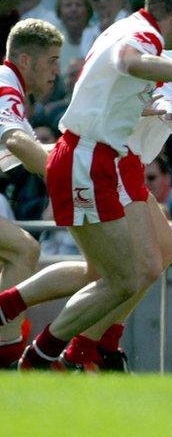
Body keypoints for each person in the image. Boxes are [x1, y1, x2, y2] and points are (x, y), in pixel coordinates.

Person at [16, 0, 172, 370]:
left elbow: (144, 95)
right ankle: (55, 352)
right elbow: (132, 64)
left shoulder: (130, 27)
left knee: (135, 265)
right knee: (124, 276)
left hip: (103, 156)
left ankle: (73, 343)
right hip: (100, 157)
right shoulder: (152, 41)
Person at [0, 19, 77, 367]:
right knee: (22, 249)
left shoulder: (10, 90)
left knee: (22, 250)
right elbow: (17, 142)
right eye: (52, 60)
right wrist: (68, 182)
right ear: (26, 60)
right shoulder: (6, 86)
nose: (57, 71)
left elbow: (28, 146)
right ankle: (9, 354)